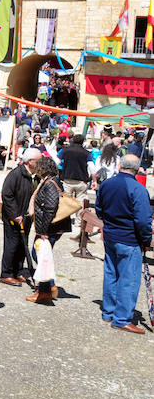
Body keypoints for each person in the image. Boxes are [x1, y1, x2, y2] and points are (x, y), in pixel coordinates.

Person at [96, 154, 153, 333]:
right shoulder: (137, 189)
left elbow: (99, 209)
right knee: (129, 279)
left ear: (120, 165)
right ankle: (121, 319)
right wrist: (146, 240)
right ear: (137, 169)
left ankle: (109, 311)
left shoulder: (107, 184)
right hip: (129, 238)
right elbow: (143, 220)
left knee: (111, 273)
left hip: (111, 235)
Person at [26, 156, 71, 304]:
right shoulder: (50, 181)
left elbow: (50, 208)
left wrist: (44, 230)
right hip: (47, 227)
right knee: (40, 255)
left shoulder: (50, 183)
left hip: (48, 229)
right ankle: (47, 286)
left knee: (41, 256)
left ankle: (45, 291)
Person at [0, 149, 42, 286]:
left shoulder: (35, 175)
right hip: (14, 217)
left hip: (26, 216)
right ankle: (6, 273)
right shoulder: (16, 174)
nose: (40, 163)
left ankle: (18, 270)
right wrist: (14, 214)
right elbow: (7, 195)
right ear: (30, 161)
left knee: (22, 244)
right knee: (12, 244)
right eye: (38, 160)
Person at [60, 134, 90, 199]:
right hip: (81, 179)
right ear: (82, 142)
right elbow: (91, 167)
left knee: (67, 201)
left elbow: (57, 161)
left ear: (73, 140)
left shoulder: (65, 150)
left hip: (67, 178)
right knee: (81, 200)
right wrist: (93, 180)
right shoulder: (86, 153)